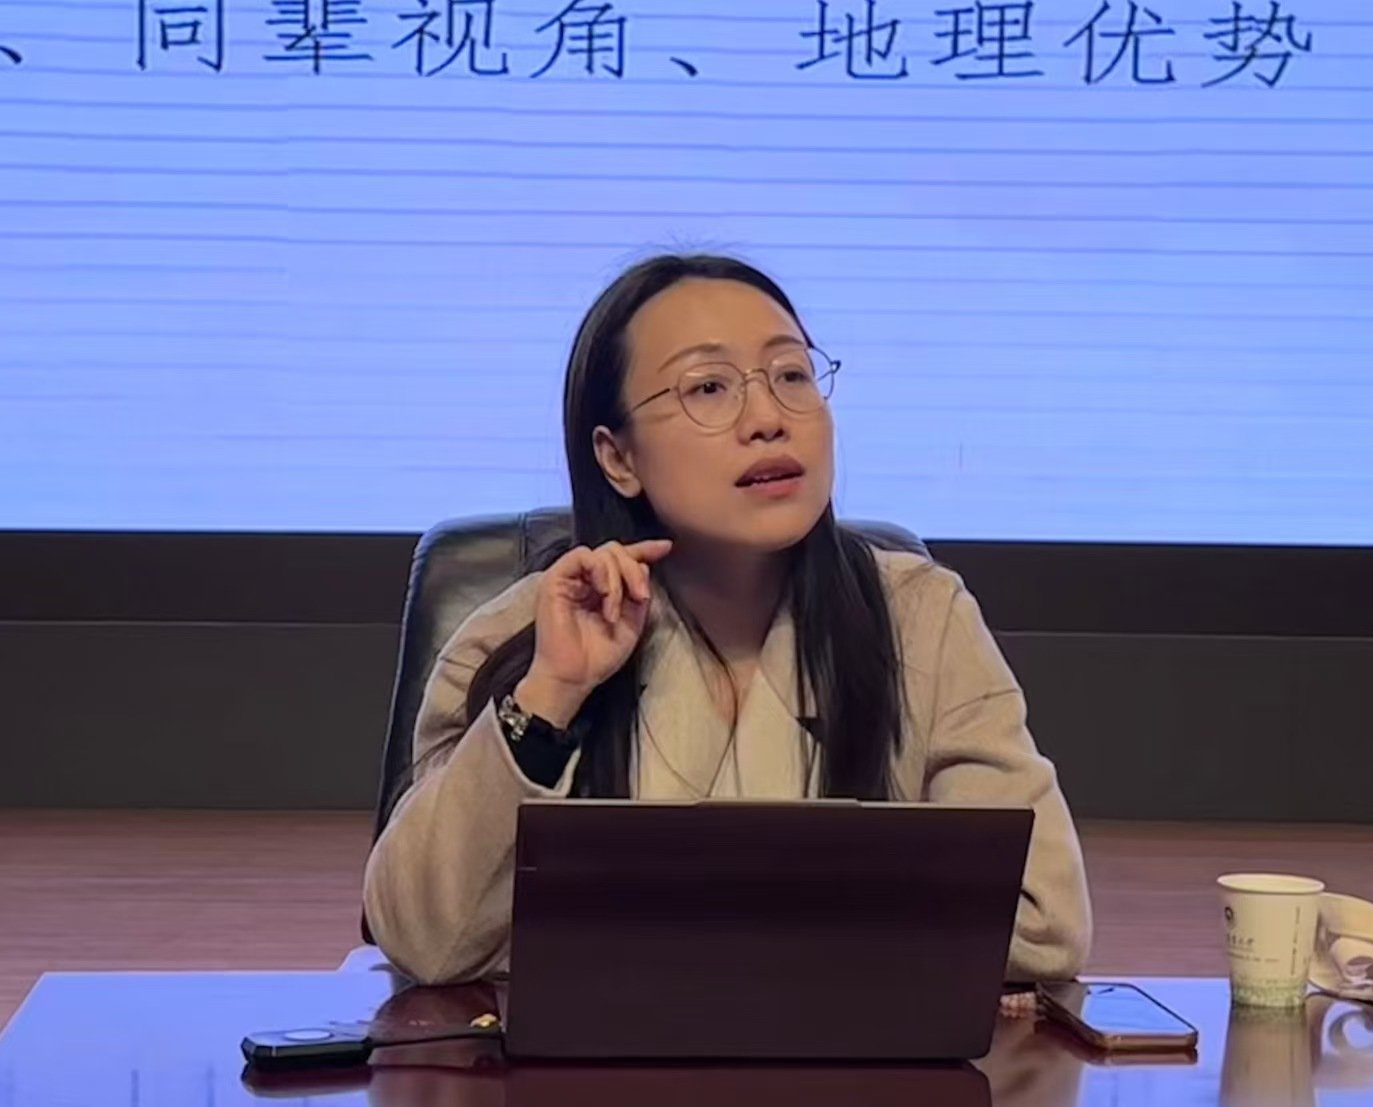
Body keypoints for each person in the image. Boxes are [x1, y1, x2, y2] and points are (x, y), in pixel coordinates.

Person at [363, 254, 1092, 987]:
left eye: (792, 375)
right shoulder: (520, 638)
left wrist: (644, 926)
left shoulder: (921, 620)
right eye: (708, 387)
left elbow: (1043, 923)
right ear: (618, 458)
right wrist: (551, 695)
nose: (770, 419)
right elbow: (424, 939)